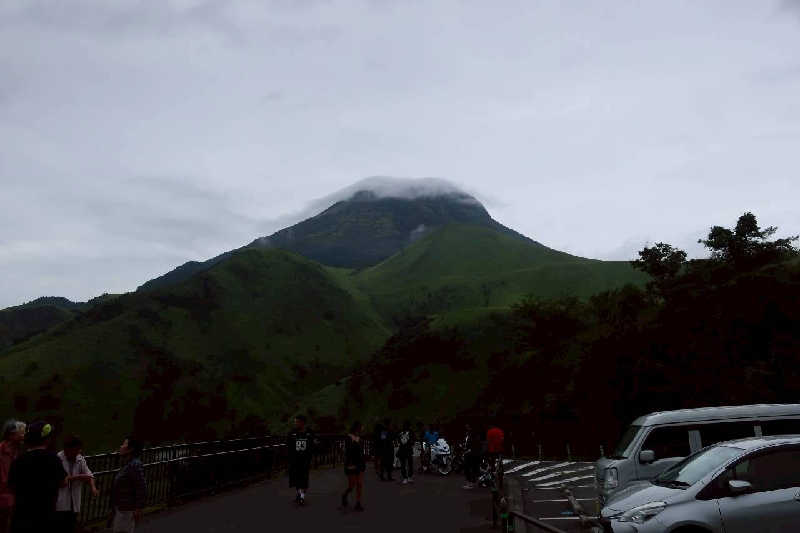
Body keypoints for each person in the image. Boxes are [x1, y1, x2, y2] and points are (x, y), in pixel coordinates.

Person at [7, 421, 67, 533]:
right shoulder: (53, 459)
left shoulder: (18, 461)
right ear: (47, 440)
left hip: (21, 518)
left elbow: (11, 487)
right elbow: (63, 482)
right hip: (45, 517)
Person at [55, 435, 99, 533]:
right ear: (67, 449)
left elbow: (89, 474)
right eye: (76, 450)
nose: (78, 452)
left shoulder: (79, 459)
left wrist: (93, 487)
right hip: (60, 503)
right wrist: (78, 477)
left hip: (74, 502)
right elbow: (59, 480)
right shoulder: (58, 459)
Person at [110, 436, 146, 533]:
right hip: (122, 508)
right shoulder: (128, 464)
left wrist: (138, 508)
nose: (121, 446)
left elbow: (141, 487)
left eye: (124, 444)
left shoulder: (134, 465)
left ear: (131, 449)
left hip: (127, 510)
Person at [0, 421, 25, 533]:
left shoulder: (19, 451)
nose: (23, 436)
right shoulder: (1, 450)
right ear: (11, 434)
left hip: (14, 495)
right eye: (21, 433)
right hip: (4, 495)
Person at [287, 415, 314, 505]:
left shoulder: (309, 433)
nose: (296, 424)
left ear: (302, 422)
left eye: (297, 422)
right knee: (296, 479)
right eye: (295, 422)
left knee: (304, 479)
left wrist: (310, 457)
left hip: (305, 460)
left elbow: (312, 446)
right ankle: (299, 494)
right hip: (295, 460)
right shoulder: (292, 433)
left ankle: (302, 497)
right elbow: (289, 446)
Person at [341, 421, 366, 512]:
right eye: (361, 427)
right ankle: (345, 494)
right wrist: (349, 464)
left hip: (360, 463)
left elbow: (361, 452)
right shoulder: (349, 437)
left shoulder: (360, 438)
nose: (362, 429)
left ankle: (358, 503)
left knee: (359, 484)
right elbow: (348, 452)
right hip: (351, 463)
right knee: (352, 485)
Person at [462, 423, 482, 489]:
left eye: (468, 427)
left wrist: (468, 450)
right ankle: (473, 482)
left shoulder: (473, 435)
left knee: (470, 469)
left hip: (472, 454)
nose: (467, 428)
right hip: (470, 454)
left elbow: (474, 445)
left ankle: (471, 483)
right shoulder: (469, 435)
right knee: (472, 468)